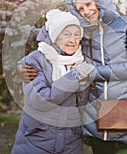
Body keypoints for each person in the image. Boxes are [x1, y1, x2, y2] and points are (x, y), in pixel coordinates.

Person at [17, 0, 127, 153]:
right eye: (80, 9)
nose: (86, 11)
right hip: (96, 120)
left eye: (88, 4)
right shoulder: (83, 32)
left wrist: (93, 73)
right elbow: (55, 43)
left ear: (99, 0)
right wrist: (22, 65)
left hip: (126, 115)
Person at [11, 9, 95, 154]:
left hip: (71, 142)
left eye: (77, 35)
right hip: (38, 139)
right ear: (55, 37)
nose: (73, 40)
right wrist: (73, 77)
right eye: (67, 34)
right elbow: (41, 100)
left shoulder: (82, 62)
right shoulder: (35, 60)